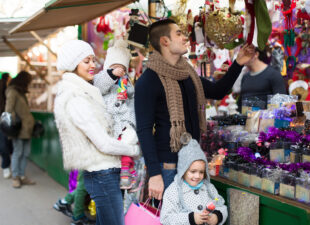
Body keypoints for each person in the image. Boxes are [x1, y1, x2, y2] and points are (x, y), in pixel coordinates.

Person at [134, 19, 255, 200]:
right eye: (179, 34)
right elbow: (144, 130)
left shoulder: (187, 74)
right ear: (165, 42)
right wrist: (154, 174)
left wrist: (238, 63)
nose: (185, 38)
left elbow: (218, 90)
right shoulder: (148, 81)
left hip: (193, 160)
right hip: (169, 166)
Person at [54, 39, 140, 225]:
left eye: (93, 60)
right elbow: (103, 143)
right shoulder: (76, 97)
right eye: (87, 61)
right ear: (73, 64)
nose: (93, 65)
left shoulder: (83, 91)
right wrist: (133, 150)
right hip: (102, 172)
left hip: (103, 172)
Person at [93, 39, 138, 190]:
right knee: (114, 147)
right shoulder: (101, 77)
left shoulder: (125, 81)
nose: (118, 70)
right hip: (110, 119)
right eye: (114, 66)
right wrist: (111, 74)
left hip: (124, 119)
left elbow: (132, 96)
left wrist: (127, 87)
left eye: (121, 68)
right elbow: (99, 86)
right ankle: (122, 172)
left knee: (129, 140)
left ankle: (127, 171)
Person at [160, 137, 227, 225]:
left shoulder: (209, 188)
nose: (197, 176)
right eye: (193, 171)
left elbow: (220, 204)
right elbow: (166, 218)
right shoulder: (174, 191)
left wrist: (217, 216)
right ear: (183, 170)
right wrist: (190, 218)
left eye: (201, 172)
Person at [5, 71, 35, 188]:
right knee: (18, 152)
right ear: (23, 80)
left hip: (27, 128)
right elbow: (9, 109)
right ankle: (16, 177)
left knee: (25, 152)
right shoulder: (12, 91)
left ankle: (22, 176)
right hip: (18, 128)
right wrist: (13, 126)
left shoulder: (20, 92)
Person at [237, 47, 287, 111]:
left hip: (265, 119)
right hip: (246, 119)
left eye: (246, 53)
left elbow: (281, 103)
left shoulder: (273, 75)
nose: (243, 57)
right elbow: (240, 104)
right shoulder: (245, 77)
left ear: (256, 54)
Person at [0, 72, 13, 178]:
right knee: (4, 143)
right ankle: (5, 167)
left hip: (3, 119)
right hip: (4, 120)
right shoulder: (7, 90)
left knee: (4, 143)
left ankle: (5, 167)